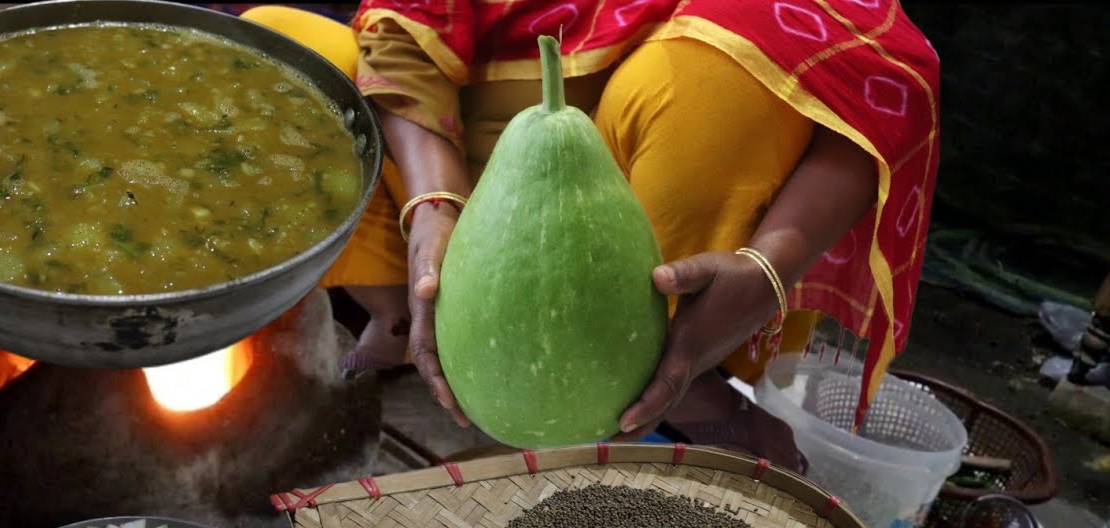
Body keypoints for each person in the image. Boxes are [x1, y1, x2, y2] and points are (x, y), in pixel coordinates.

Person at [238, 2, 941, 469]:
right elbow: (401, 37)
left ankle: (671, 366)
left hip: (636, 198)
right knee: (277, 42)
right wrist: (433, 209)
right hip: (457, 168)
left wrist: (770, 266)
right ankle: (405, 307)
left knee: (717, 65)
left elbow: (872, 75)